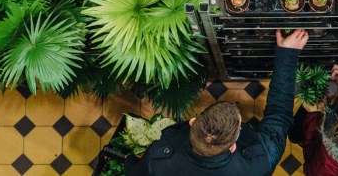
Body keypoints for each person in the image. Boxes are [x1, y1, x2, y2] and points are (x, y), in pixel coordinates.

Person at [124, 30, 309, 176]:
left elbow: (135, 170)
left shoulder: (158, 160)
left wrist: (129, 161)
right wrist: (287, 56)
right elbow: (279, 116)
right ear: (233, 146)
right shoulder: (261, 159)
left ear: (193, 121)